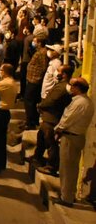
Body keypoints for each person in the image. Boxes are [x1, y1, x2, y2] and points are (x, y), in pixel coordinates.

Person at [51, 77, 94, 207]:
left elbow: (67, 120)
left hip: (71, 137)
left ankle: (66, 198)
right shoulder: (85, 101)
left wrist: (57, 130)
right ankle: (69, 194)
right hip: (76, 137)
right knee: (71, 168)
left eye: (71, 85)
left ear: (77, 87)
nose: (69, 87)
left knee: (67, 169)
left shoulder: (80, 103)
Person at [0, 63, 19, 173]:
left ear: (5, 71)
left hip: (0, 112)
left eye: (0, 69)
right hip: (4, 113)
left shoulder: (5, 83)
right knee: (0, 140)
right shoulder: (12, 82)